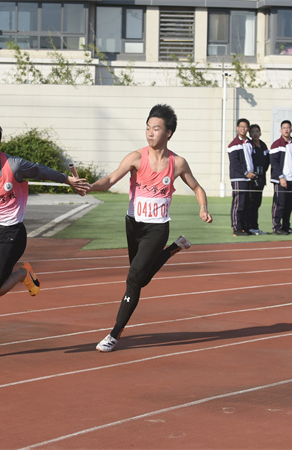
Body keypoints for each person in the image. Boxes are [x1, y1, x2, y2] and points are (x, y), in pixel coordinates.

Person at [0, 120, 90, 360]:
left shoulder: (14, 166)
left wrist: (67, 180)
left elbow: (41, 170)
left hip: (11, 233)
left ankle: (23, 274)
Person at [87, 104, 212, 352]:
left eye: (156, 128)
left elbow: (197, 188)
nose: (150, 133)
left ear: (169, 132)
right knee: (140, 279)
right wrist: (89, 187)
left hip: (157, 228)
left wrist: (203, 208)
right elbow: (109, 180)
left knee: (133, 278)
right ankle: (174, 248)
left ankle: (114, 333)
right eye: (147, 128)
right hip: (133, 224)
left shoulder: (178, 163)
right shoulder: (135, 158)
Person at [270, 120, 292, 235]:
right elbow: (274, 162)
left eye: (288, 128)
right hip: (281, 180)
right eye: (284, 128)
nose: (286, 130)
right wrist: (281, 177)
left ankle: (286, 226)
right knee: (280, 204)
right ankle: (276, 227)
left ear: (291, 130)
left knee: (290, 204)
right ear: (280, 130)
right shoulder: (276, 144)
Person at [228, 118, 257, 236]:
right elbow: (235, 162)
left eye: (245, 127)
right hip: (238, 178)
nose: (243, 129)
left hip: (249, 178)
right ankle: (236, 228)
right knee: (238, 204)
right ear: (237, 128)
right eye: (241, 127)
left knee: (247, 204)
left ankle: (245, 227)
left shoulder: (250, 143)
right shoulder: (233, 144)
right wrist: (245, 172)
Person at [247, 124, 270, 235]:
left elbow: (267, 161)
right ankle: (249, 226)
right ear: (250, 134)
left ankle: (255, 226)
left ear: (260, 133)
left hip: (261, 179)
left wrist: (262, 172)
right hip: (251, 180)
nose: (255, 134)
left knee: (257, 204)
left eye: (257, 131)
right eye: (253, 132)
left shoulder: (263, 145)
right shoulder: (249, 145)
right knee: (250, 204)